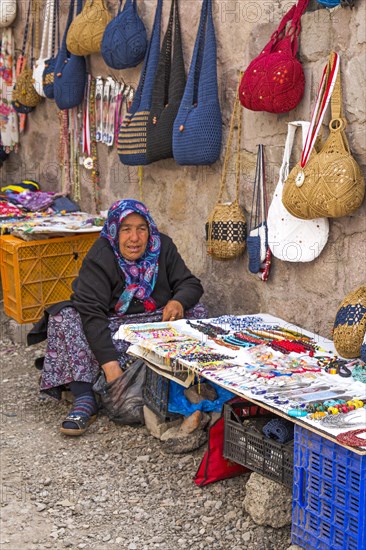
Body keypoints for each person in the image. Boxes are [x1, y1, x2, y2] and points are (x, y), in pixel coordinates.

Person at [37, 199, 206, 436]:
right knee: (64, 318)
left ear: (150, 229)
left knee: (196, 310)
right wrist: (110, 365)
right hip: (111, 324)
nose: (134, 238)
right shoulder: (102, 255)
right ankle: (84, 397)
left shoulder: (162, 247)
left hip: (151, 322)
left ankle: (184, 380)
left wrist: (178, 301)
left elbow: (189, 283)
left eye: (141, 228)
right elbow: (91, 313)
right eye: (126, 229)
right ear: (115, 231)